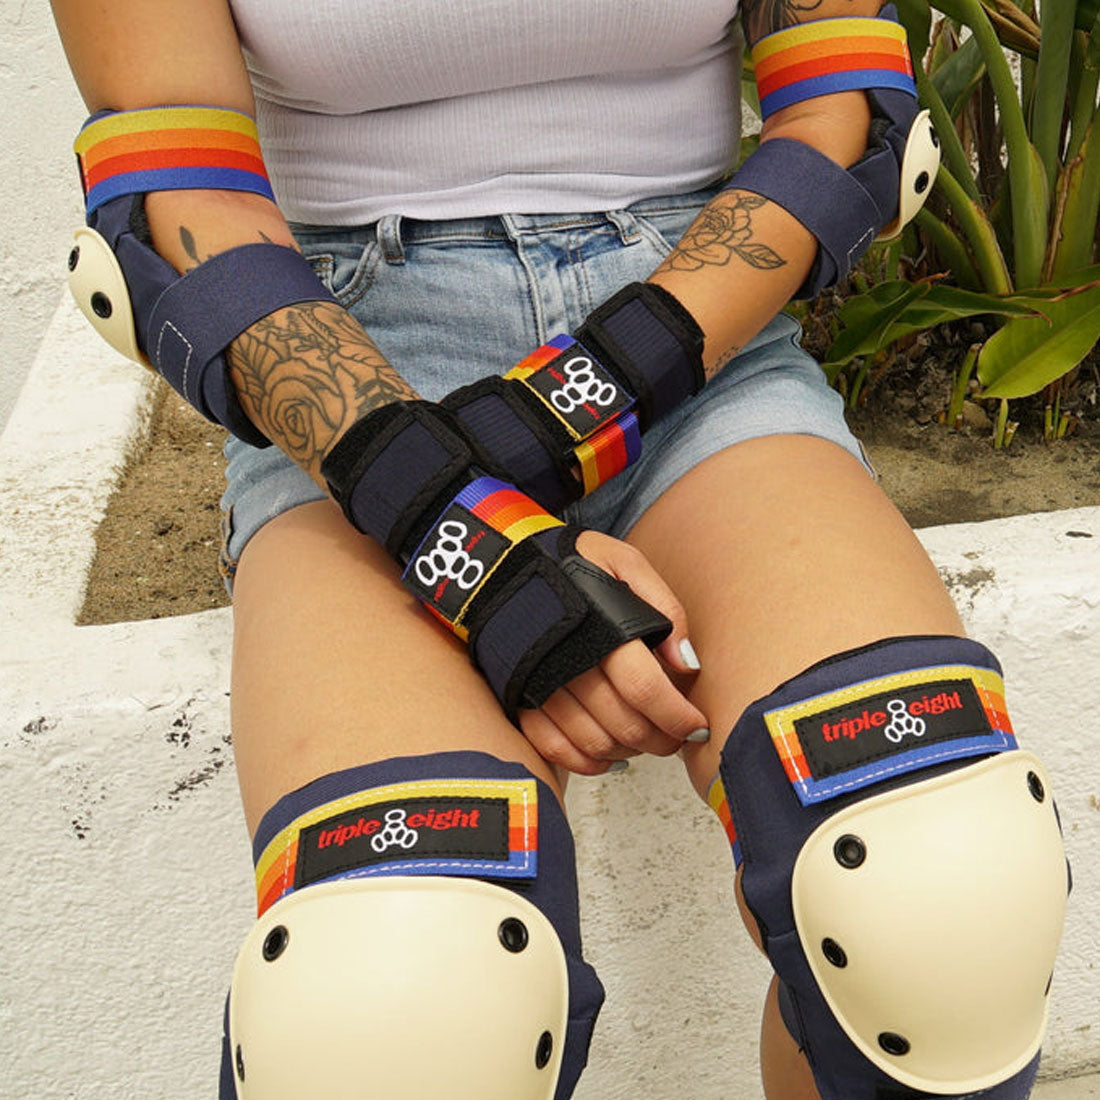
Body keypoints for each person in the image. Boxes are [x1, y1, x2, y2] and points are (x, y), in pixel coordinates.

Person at [52, 1, 1068, 1097]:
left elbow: (843, 120)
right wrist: (471, 543)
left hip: (693, 330)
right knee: (397, 1001)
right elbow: (174, 202)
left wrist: (567, 411)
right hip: (351, 383)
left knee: (937, 898)